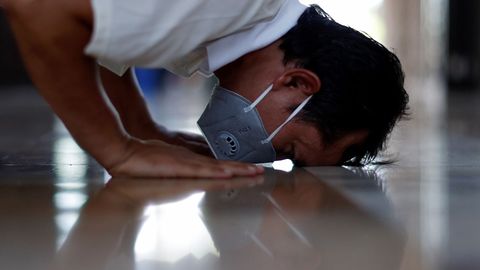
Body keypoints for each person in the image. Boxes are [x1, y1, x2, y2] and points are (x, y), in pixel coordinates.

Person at [1, 0, 409, 178]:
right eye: (287, 150)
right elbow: (39, 8)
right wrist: (118, 150)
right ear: (299, 83)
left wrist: (140, 128)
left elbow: (101, 29)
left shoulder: (234, 20)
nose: (267, 156)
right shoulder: (222, 6)